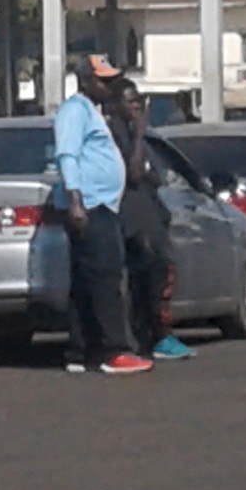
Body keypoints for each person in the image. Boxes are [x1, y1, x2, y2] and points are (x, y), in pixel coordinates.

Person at [53, 55, 148, 376]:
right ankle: (114, 350)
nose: (108, 86)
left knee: (85, 282)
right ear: (84, 81)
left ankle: (81, 351)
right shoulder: (74, 111)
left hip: (103, 204)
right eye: (102, 80)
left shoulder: (92, 112)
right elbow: (67, 155)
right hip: (91, 206)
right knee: (106, 278)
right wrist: (76, 201)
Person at [109, 78, 193, 362]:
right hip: (132, 218)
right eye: (130, 101)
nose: (136, 107)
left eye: (138, 101)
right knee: (146, 275)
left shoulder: (134, 133)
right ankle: (153, 335)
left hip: (150, 213)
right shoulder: (118, 133)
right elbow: (132, 174)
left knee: (158, 274)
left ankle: (155, 333)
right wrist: (140, 135)